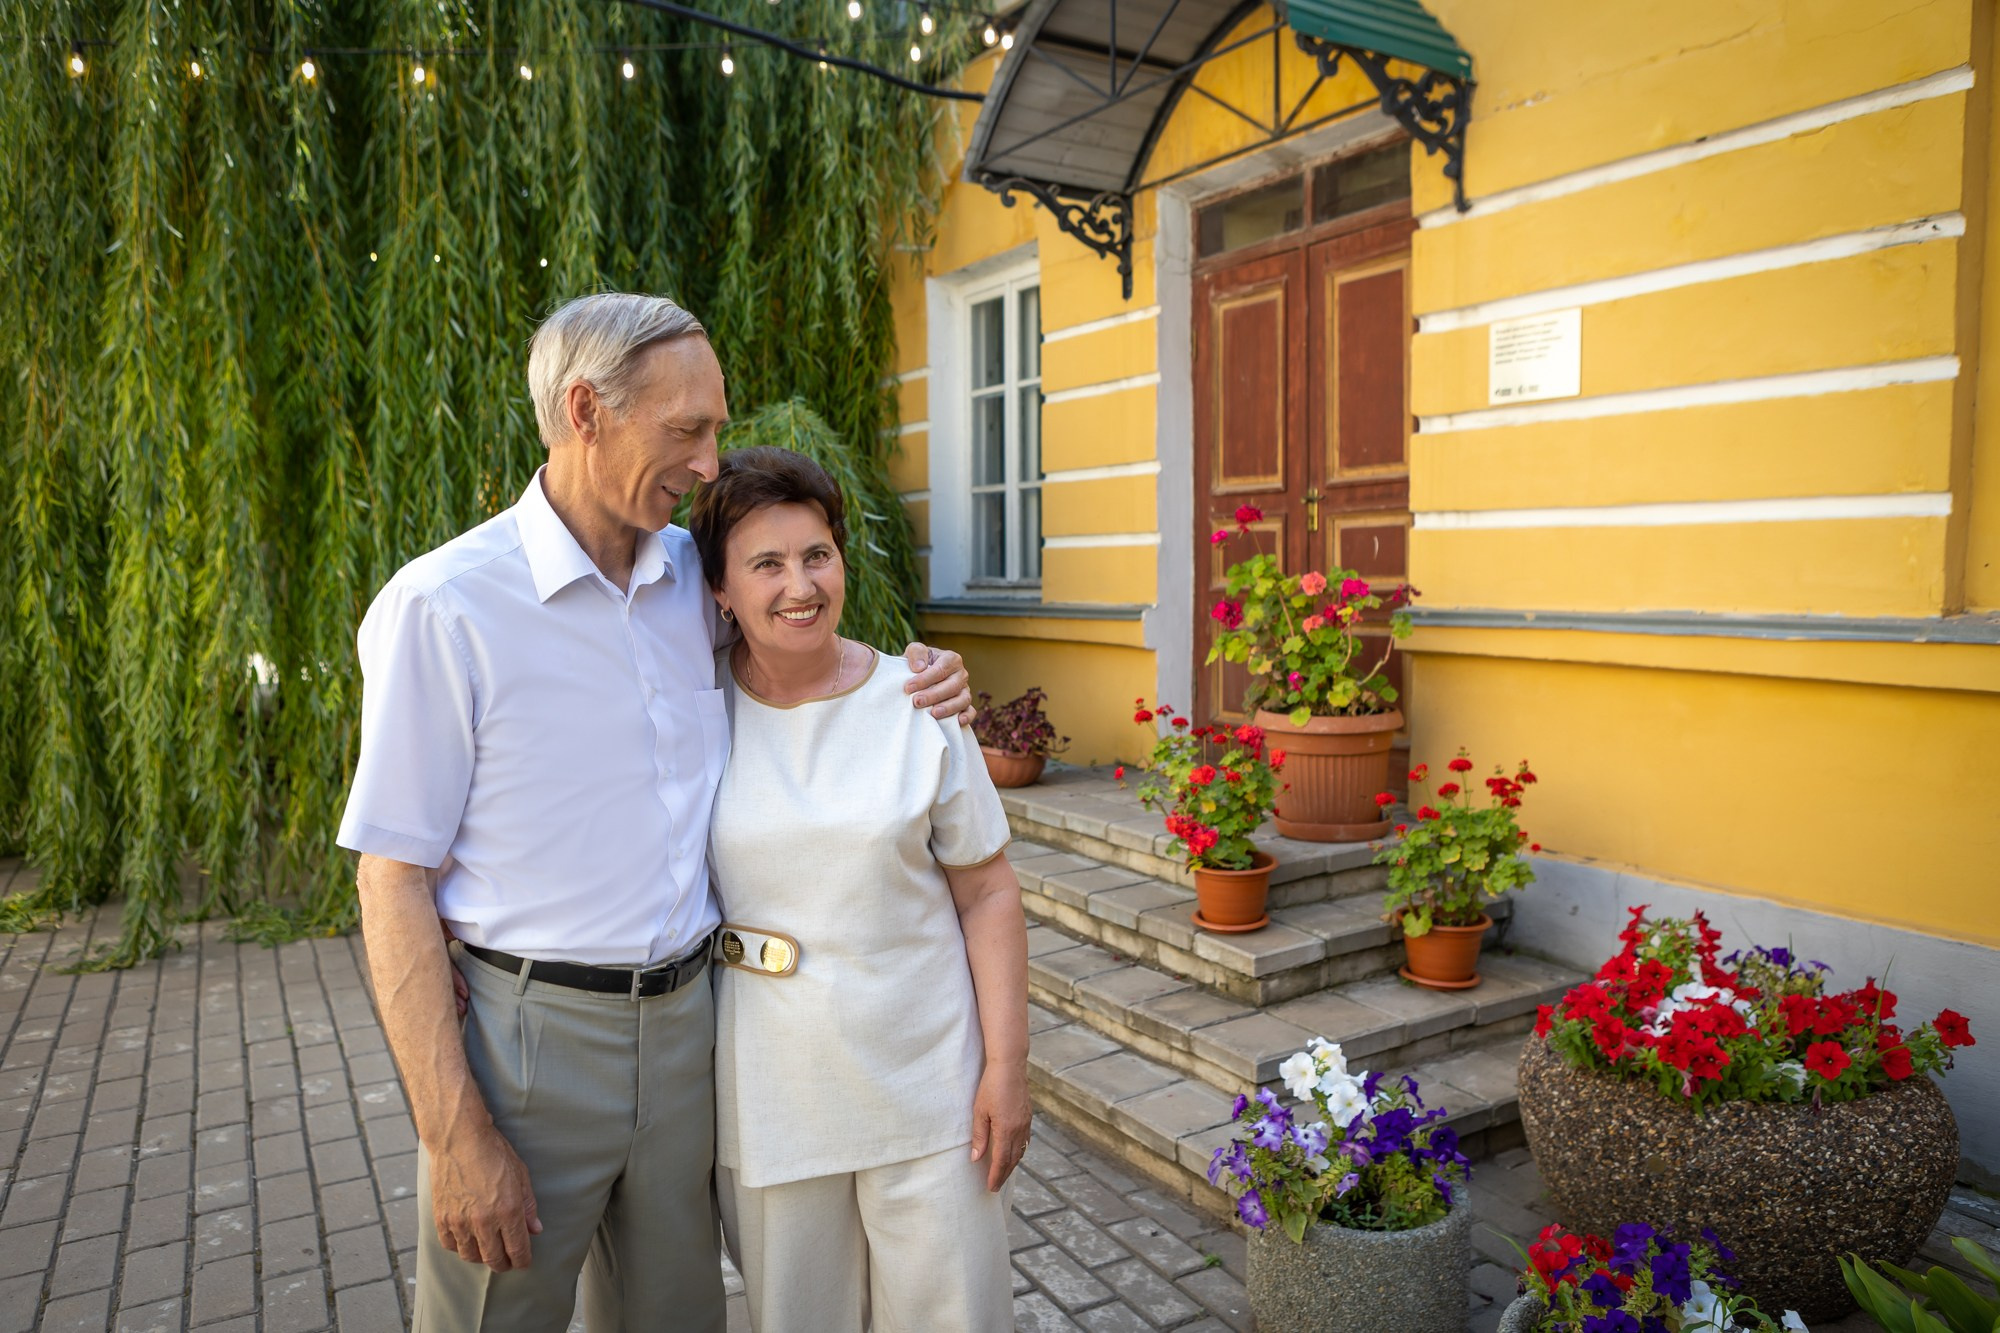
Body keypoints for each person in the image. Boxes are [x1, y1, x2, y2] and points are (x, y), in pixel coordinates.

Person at [337, 293, 973, 1333]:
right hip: (528, 1046)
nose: (712, 462)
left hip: (691, 1032)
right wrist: (455, 1135)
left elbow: (809, 658)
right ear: (584, 411)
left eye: (714, 426)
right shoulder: (444, 607)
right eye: (687, 429)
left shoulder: (694, 577)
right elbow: (391, 875)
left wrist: (925, 676)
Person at [688, 446, 1030, 1333]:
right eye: (765, 563)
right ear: (721, 590)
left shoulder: (917, 699)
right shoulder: (689, 713)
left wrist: (1007, 1066)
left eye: (816, 554)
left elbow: (988, 892)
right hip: (773, 1084)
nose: (798, 584)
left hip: (929, 1081)